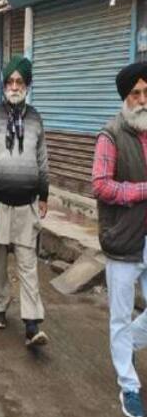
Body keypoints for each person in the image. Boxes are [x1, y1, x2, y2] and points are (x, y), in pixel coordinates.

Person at [0, 55, 49, 347]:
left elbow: (43, 159)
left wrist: (44, 193)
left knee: (29, 263)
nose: (14, 86)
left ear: (27, 85)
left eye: (19, 81)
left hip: (26, 204)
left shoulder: (35, 119)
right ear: (4, 85)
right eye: (10, 81)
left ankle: (32, 323)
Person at [92, 62, 147, 417]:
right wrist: (141, 190)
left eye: (146, 92)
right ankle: (128, 385)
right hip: (123, 240)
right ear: (125, 99)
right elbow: (99, 185)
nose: (143, 100)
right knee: (120, 316)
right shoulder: (109, 135)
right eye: (135, 94)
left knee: (123, 328)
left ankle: (123, 344)